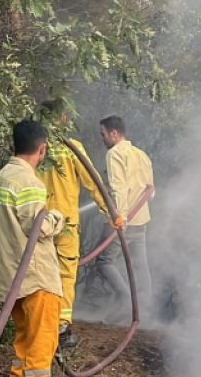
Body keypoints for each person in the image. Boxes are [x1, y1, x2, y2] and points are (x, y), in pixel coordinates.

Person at [0, 119, 66, 377]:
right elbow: (39, 226)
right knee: (41, 346)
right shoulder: (28, 182)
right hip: (35, 278)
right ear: (42, 149)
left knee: (25, 346)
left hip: (10, 278)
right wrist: (58, 218)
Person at [36, 98, 108, 348]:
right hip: (65, 224)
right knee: (65, 273)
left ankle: (39, 321)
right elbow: (93, 181)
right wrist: (112, 214)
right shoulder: (71, 148)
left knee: (40, 273)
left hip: (39, 225)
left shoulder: (36, 148)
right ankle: (61, 327)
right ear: (63, 118)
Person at [96, 115, 154, 320]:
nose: (102, 139)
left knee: (103, 261)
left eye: (103, 134)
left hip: (121, 220)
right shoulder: (142, 155)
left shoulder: (114, 154)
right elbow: (151, 191)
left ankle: (125, 301)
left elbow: (118, 188)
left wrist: (119, 217)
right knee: (140, 264)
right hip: (141, 220)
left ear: (114, 133)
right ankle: (144, 309)